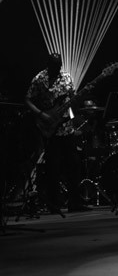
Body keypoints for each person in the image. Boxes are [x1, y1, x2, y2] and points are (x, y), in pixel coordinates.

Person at [24, 53, 90, 213]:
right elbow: (27, 99)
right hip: (50, 129)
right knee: (53, 167)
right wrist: (41, 115)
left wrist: (81, 97)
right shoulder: (39, 79)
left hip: (66, 127)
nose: (58, 68)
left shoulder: (67, 77)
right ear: (48, 65)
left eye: (59, 65)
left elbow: (73, 100)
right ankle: (54, 204)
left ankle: (75, 202)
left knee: (73, 165)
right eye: (54, 66)